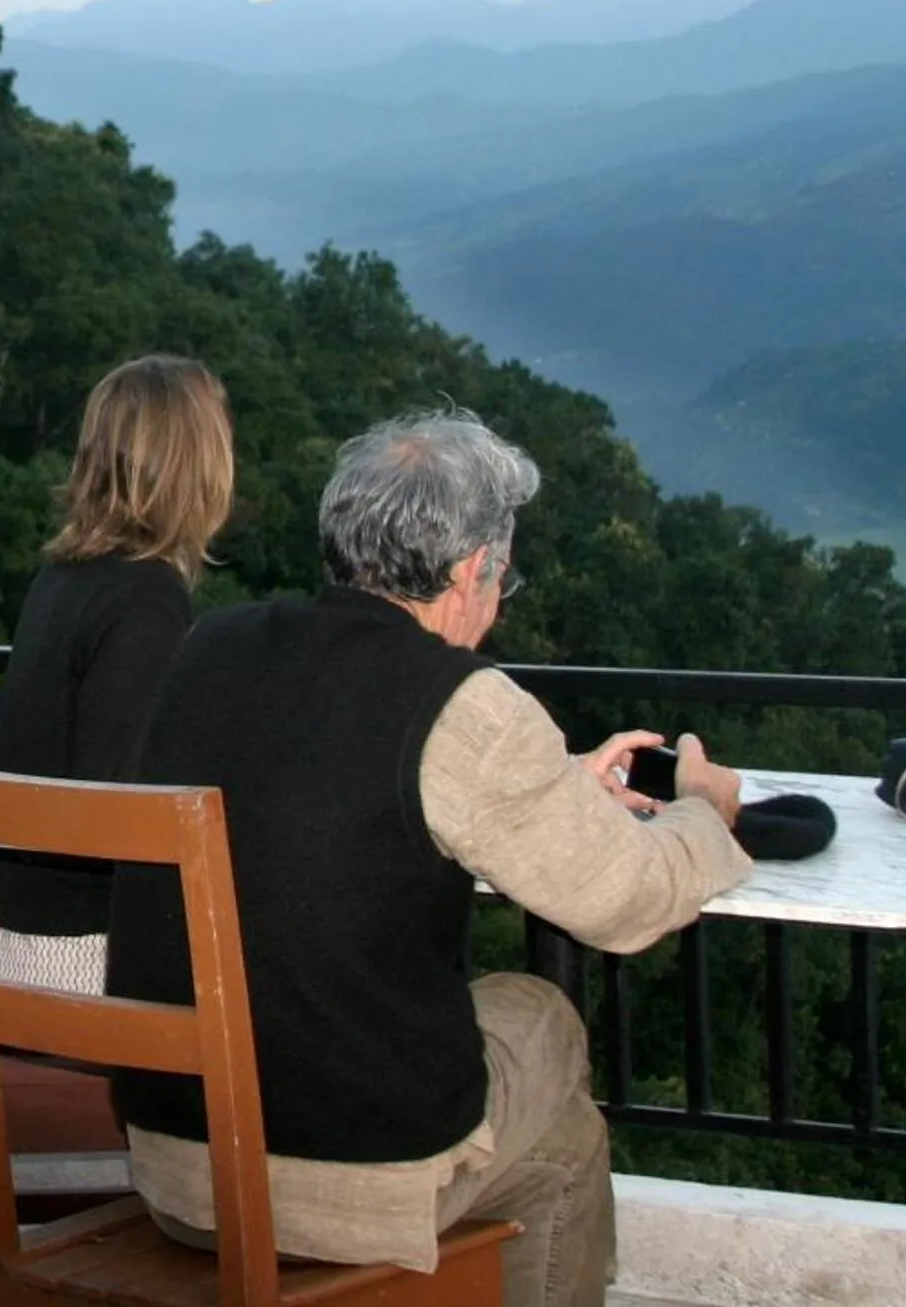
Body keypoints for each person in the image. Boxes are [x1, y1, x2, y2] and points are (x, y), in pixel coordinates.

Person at [103, 409, 753, 1307]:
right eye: (504, 573)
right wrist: (701, 812)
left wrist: (556, 784)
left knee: (551, 1135)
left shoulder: (210, 646)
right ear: (472, 570)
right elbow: (629, 903)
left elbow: (316, 777)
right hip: (336, 1182)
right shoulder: (461, 703)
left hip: (174, 1162)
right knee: (541, 1022)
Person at [0, 355, 232, 992]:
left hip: (1, 932)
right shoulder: (146, 600)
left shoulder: (62, 579)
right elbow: (120, 811)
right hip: (76, 955)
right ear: (195, 463)